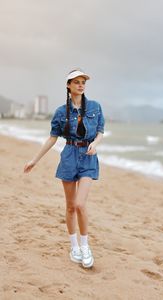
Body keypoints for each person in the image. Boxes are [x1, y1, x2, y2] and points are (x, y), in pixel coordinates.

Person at [24, 68, 105, 268]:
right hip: (68, 156)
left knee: (80, 204)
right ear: (68, 85)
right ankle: (74, 246)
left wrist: (95, 144)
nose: (81, 84)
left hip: (88, 158)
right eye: (76, 81)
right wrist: (35, 160)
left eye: (83, 81)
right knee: (69, 206)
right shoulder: (61, 112)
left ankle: (85, 246)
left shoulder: (95, 106)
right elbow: (53, 137)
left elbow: (101, 131)